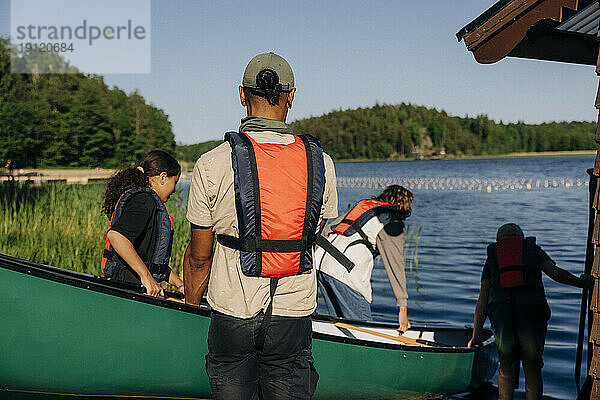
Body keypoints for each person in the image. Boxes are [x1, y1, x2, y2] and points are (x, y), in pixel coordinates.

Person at [183, 52, 338, 399]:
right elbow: (316, 231)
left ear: (242, 94)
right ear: (291, 96)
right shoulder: (322, 163)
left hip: (231, 313)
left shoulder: (211, 163)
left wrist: (193, 306)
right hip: (292, 314)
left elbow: (198, 257)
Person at [468, 223, 594, 400]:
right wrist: (584, 282)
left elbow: (482, 301)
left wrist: (476, 335)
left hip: (502, 316)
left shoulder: (493, 257)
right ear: (521, 238)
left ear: (499, 241)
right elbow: (557, 274)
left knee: (506, 367)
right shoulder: (533, 250)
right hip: (531, 316)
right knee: (532, 368)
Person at [314, 185, 413, 332]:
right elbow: (395, 264)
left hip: (321, 264)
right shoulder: (391, 221)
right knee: (363, 329)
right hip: (344, 271)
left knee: (342, 327)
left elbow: (327, 230)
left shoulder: (365, 209)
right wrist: (403, 308)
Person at [101, 149, 184, 297]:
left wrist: (179, 283)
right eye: (175, 182)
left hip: (131, 289)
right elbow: (117, 236)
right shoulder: (145, 201)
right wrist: (146, 277)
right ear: (163, 177)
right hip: (128, 290)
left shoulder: (147, 202)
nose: (174, 190)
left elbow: (149, 261)